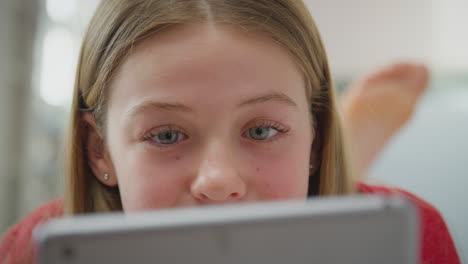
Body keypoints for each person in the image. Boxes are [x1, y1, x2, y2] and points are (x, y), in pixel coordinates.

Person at [0, 1, 460, 263]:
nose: (218, 181)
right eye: (165, 136)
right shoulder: (31, 250)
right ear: (99, 152)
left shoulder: (411, 240)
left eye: (261, 130)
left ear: (317, 138)